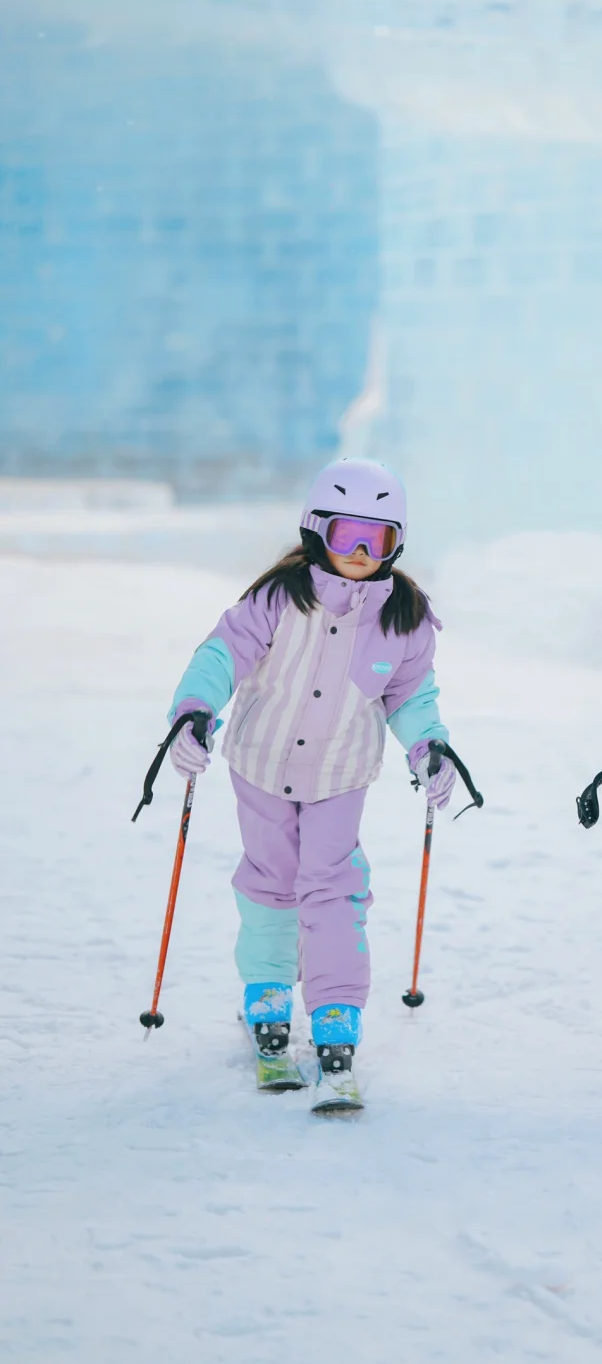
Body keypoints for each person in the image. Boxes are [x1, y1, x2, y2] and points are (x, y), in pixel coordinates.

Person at [166, 458, 455, 1112]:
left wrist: (428, 746)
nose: (358, 552)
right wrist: (194, 711)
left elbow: (411, 694)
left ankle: (335, 1023)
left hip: (339, 775)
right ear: (316, 529)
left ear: (395, 543)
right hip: (262, 764)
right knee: (271, 881)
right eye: (348, 532)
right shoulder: (278, 597)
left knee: (334, 890)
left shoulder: (404, 617)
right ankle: (268, 1003)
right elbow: (222, 653)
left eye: (375, 539)